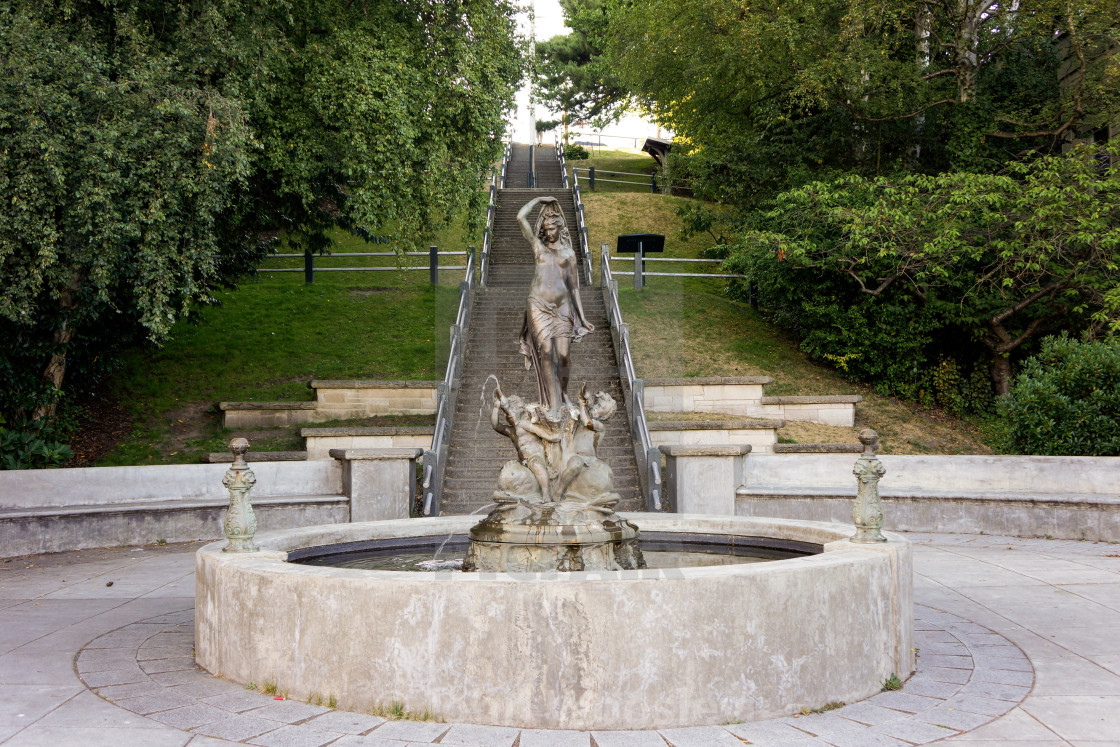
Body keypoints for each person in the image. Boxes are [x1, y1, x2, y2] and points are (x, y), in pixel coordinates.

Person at [517, 196, 595, 416]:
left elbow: (574, 288)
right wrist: (538, 200)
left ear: (560, 228)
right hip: (538, 305)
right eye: (546, 228)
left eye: (552, 228)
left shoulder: (569, 254)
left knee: (563, 356)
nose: (549, 232)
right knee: (547, 351)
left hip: (562, 309)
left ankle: (564, 395)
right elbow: (520, 217)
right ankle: (553, 404)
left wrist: (583, 317)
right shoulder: (538, 248)